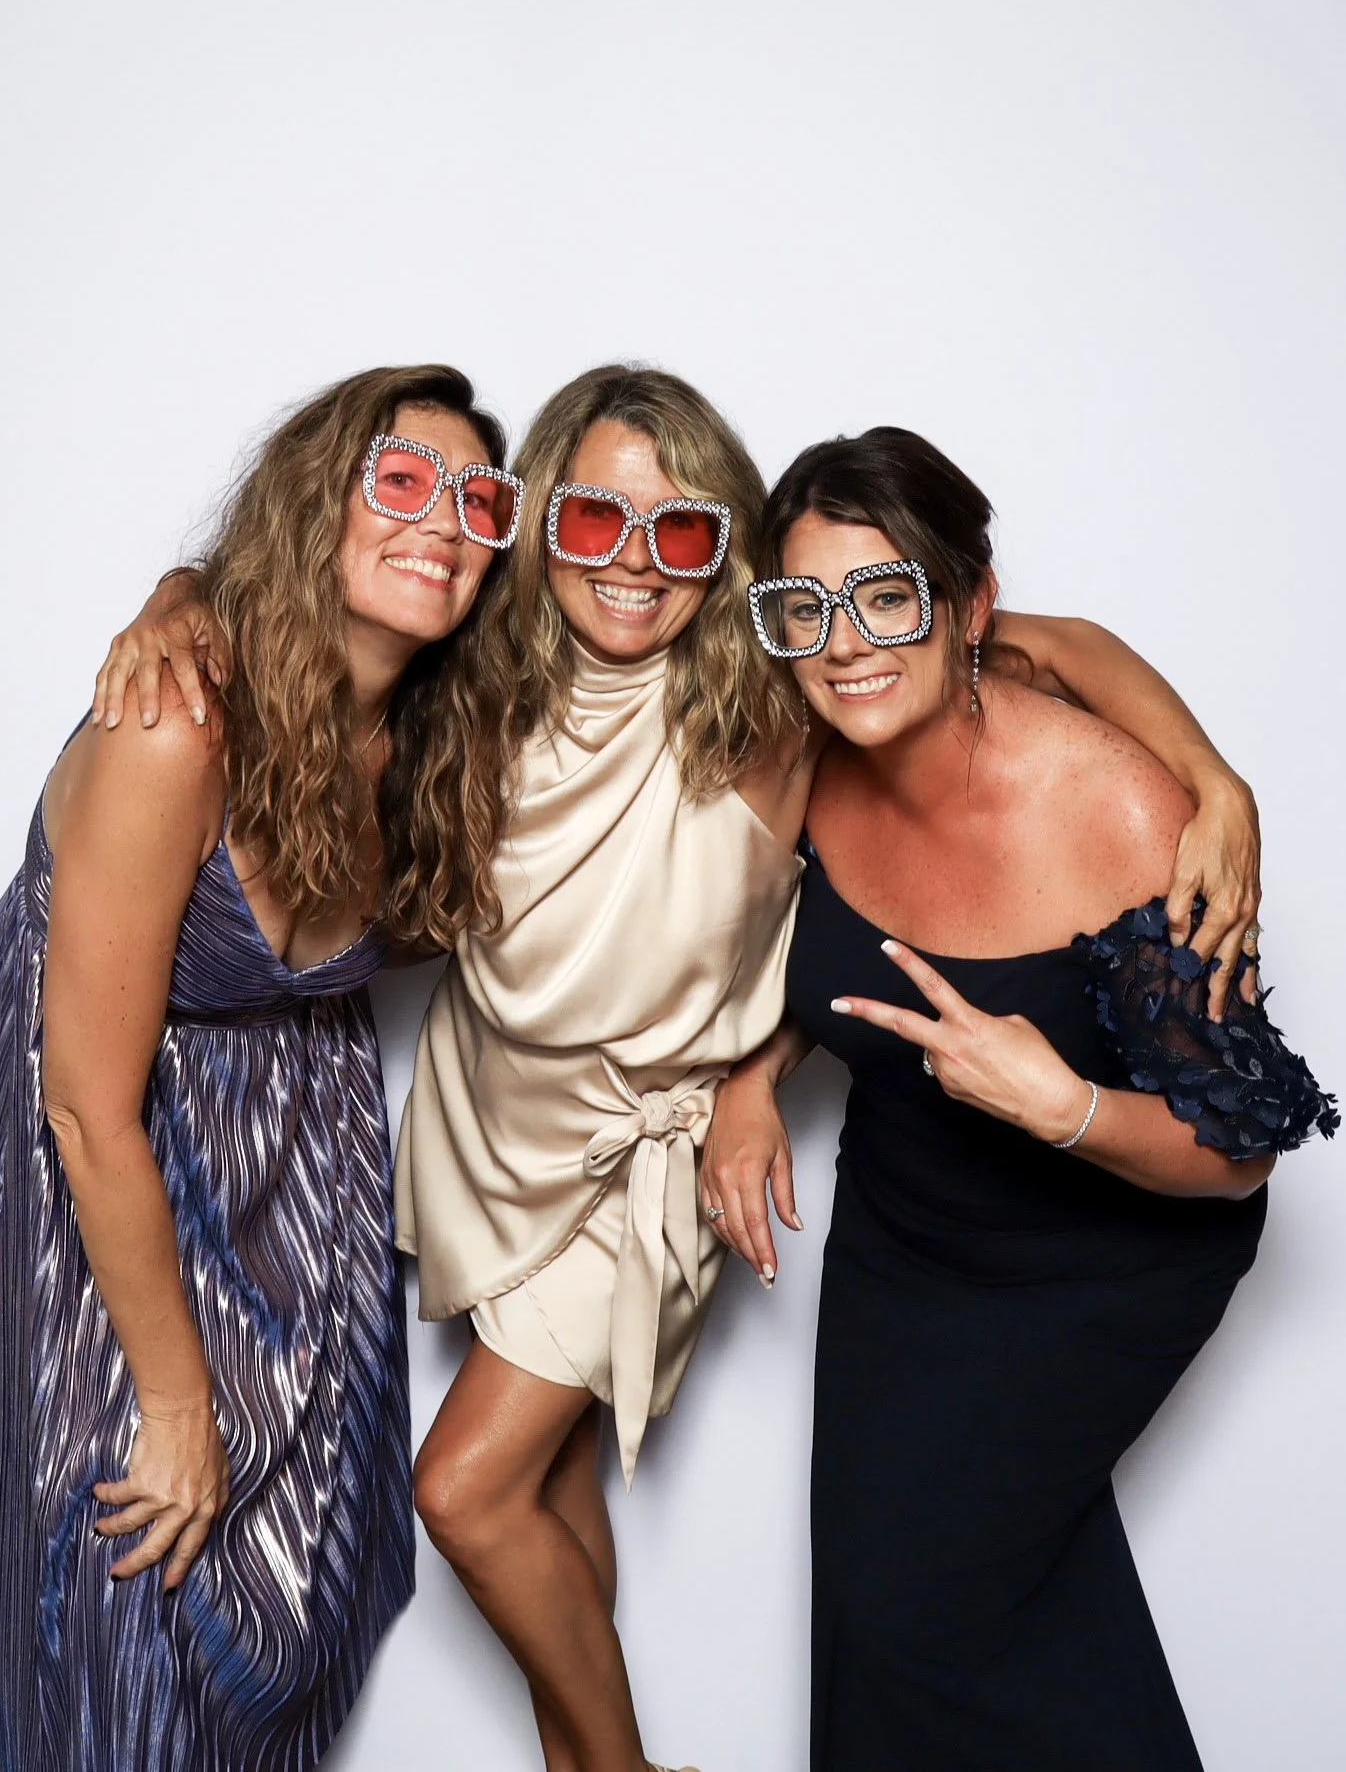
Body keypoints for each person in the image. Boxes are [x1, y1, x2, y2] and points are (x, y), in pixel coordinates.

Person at [103, 368, 1265, 1772]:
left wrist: (1215, 780)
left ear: (726, 556)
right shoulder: (496, 675)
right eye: (596, 520)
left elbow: (1034, 638)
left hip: (650, 1161)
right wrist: (179, 596)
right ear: (542, 526)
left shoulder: (778, 702)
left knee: (464, 1492)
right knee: (564, 1495)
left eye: (682, 530)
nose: (635, 561)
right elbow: (320, 583)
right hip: (503, 1126)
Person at [702, 426, 1336, 1772]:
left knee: (924, 1612)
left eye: (886, 597)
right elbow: (848, 973)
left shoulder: (1121, 813)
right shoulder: (813, 752)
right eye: (805, 607)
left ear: (970, 607)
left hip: (1108, 1256)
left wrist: (1064, 1106)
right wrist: (754, 1078)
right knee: (889, 1616)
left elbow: (1239, 1154)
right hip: (907, 1235)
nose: (845, 642)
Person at [0, 366, 522, 1772]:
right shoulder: (175, 722)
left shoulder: (430, 744)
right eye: (401, 479)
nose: (442, 520)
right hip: (85, 1128)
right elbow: (86, 1110)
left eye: (479, 500)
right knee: (122, 1554)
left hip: (285, 1143)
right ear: (316, 503)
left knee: (282, 1565)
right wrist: (179, 1402)